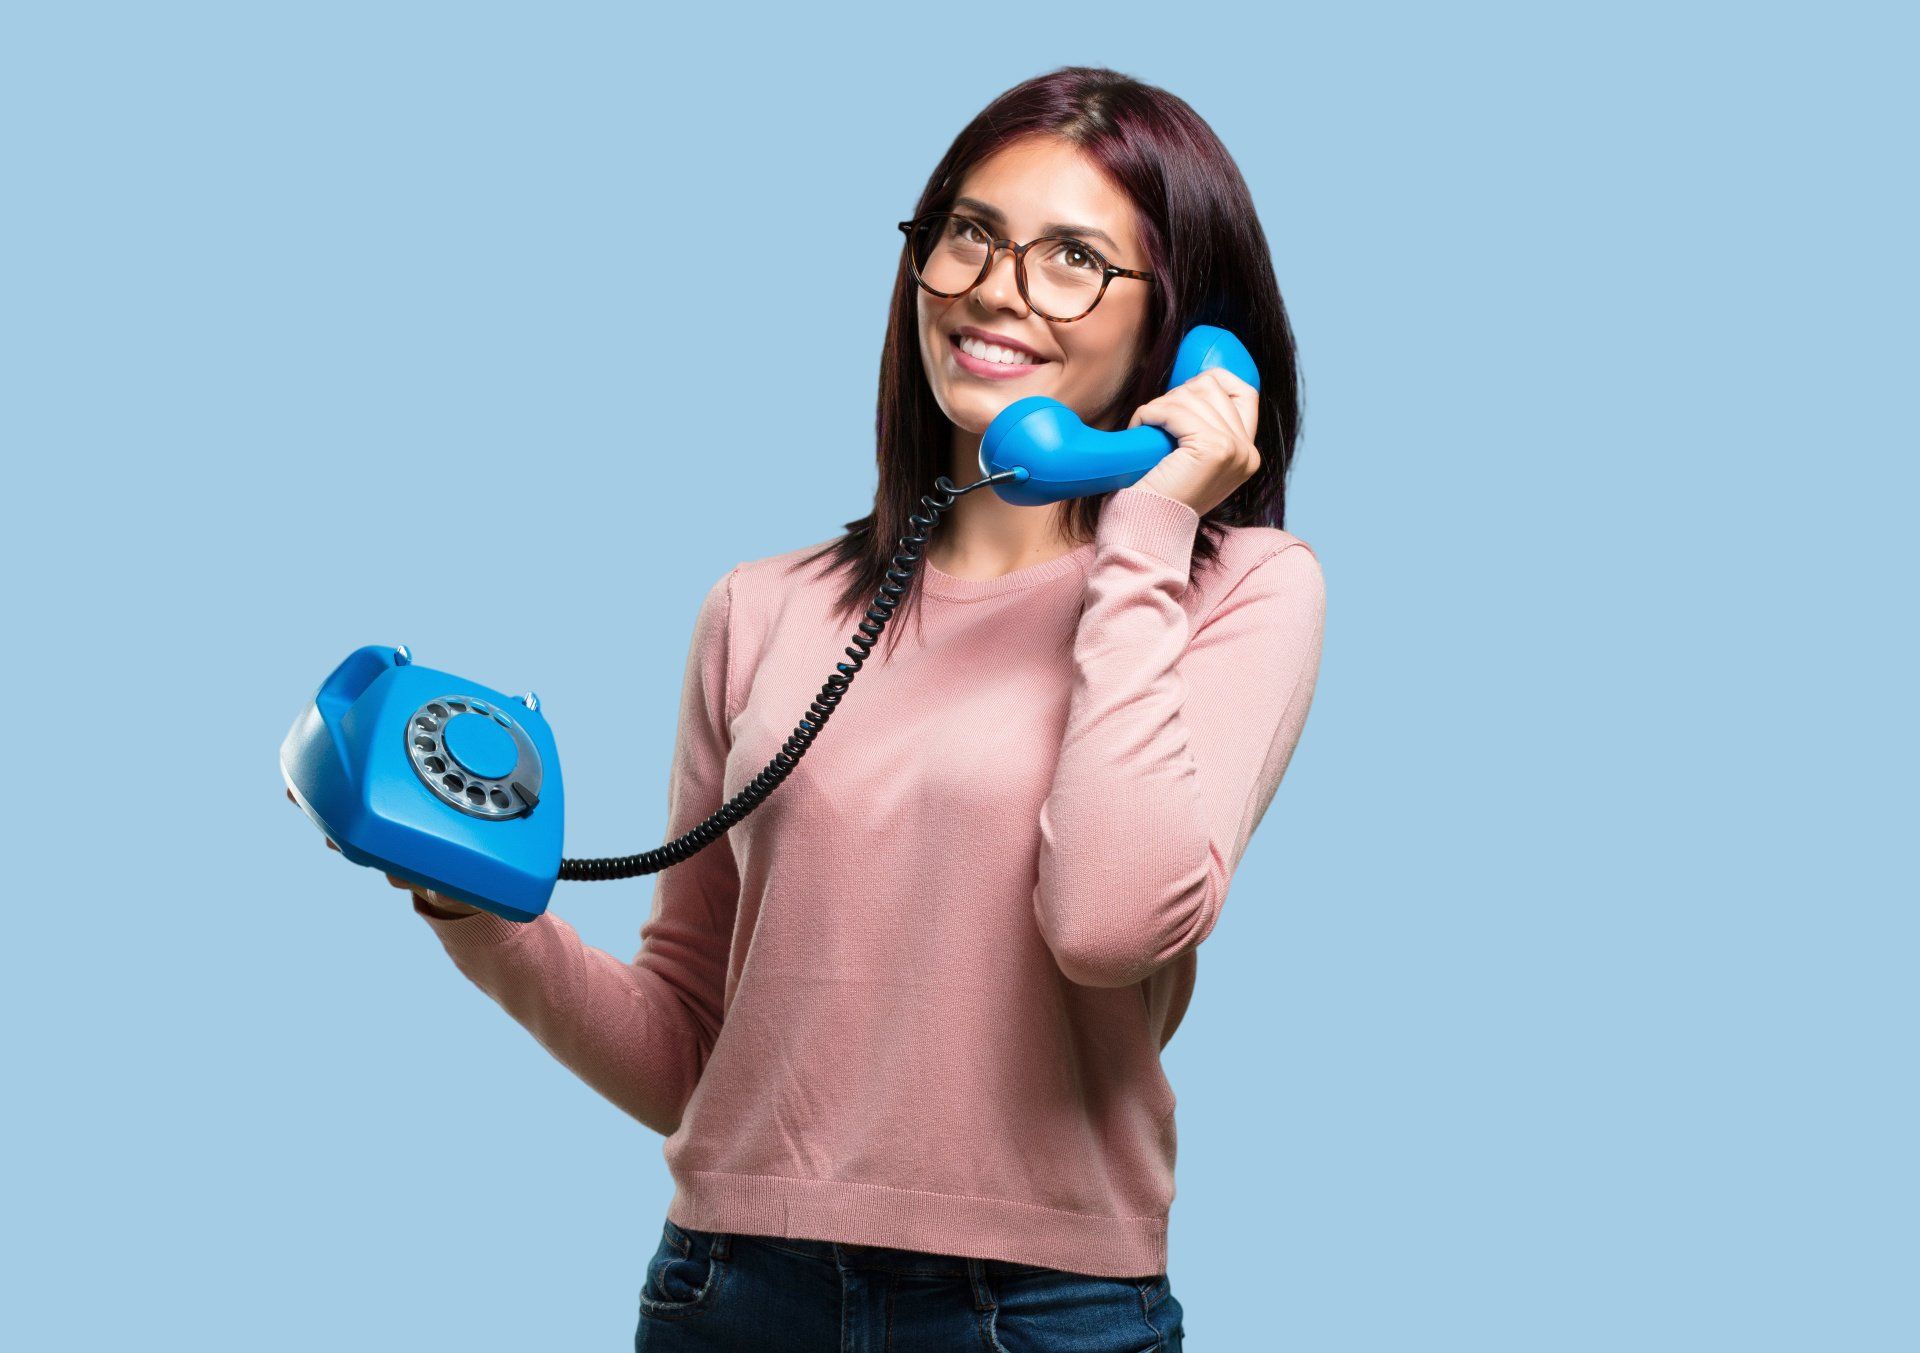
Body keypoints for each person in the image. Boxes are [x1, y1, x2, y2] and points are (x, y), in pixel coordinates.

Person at [314, 64, 1325, 1351]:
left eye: (1074, 257)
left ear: (1183, 337)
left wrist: (1148, 526)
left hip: (1044, 1311)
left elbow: (1109, 923)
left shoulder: (1238, 590)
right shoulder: (762, 609)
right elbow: (687, 1048)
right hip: (733, 1293)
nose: (998, 288)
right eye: (971, 232)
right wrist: (474, 903)